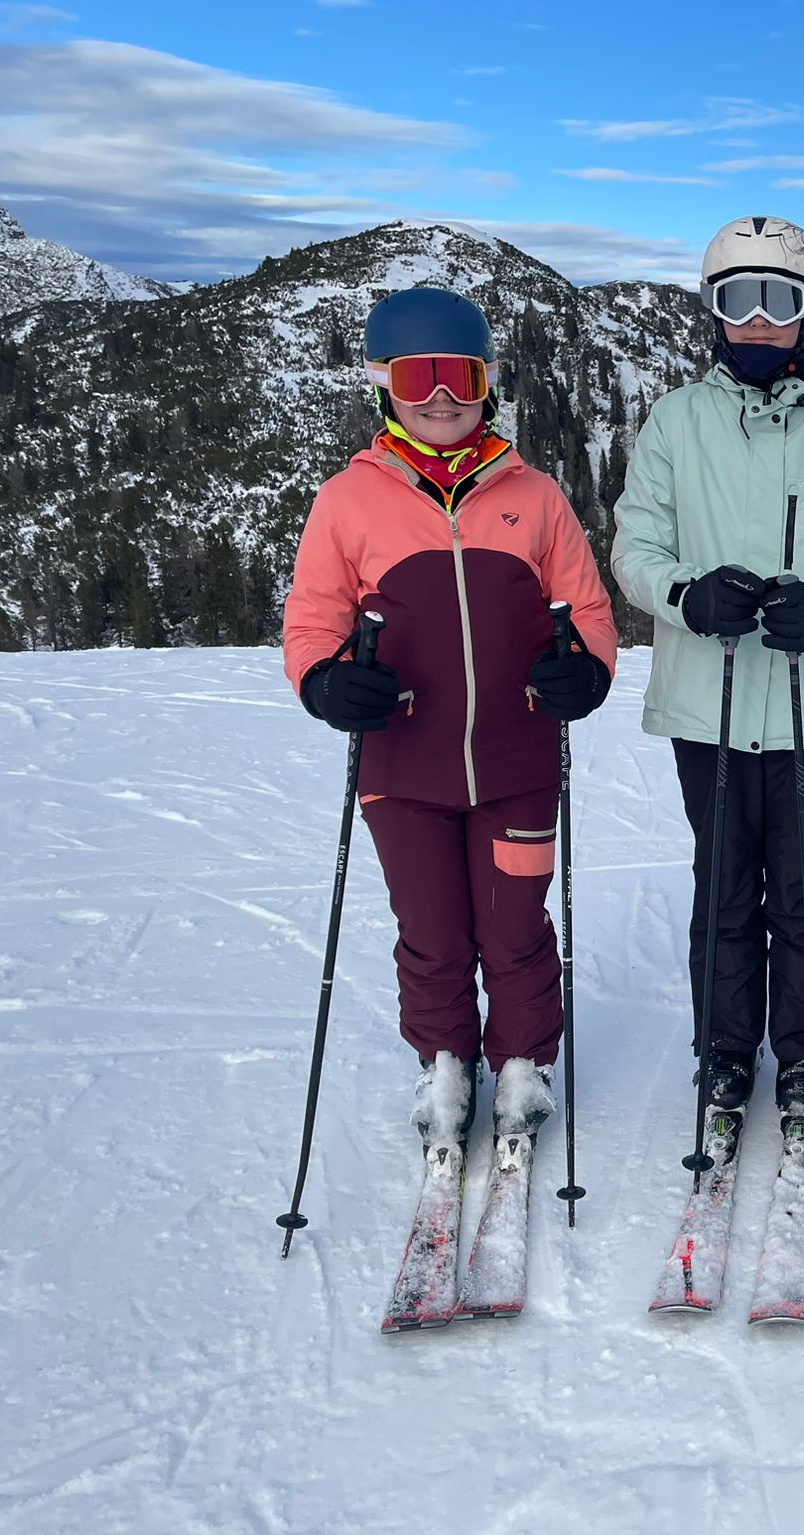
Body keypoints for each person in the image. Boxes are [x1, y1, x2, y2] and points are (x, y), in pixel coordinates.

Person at [282, 286, 618, 1151]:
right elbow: (313, 619)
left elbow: (587, 610)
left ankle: (522, 1063)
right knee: (430, 932)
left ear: (488, 384)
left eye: (460, 376)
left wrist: (585, 671)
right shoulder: (346, 501)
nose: (440, 397)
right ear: (383, 387)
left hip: (518, 760)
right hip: (403, 766)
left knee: (515, 927)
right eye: (416, 376)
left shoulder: (535, 496)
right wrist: (324, 683)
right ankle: (445, 1064)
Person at [610, 215, 804, 1143]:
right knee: (726, 884)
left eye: (780, 298)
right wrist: (684, 596)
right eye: (738, 298)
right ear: (714, 309)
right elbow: (635, 546)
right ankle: (726, 1049)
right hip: (711, 703)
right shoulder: (676, 421)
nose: (759, 319)